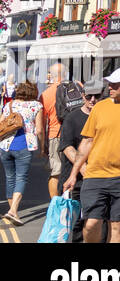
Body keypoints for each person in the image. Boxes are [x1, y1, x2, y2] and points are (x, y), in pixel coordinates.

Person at [63, 68, 120, 244]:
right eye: (109, 83)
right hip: (95, 175)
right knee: (91, 223)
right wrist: (73, 173)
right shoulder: (100, 107)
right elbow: (87, 142)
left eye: (115, 84)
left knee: (117, 225)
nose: (110, 87)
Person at [59, 78, 103, 243]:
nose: (92, 100)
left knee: (97, 221)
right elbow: (67, 147)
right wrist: (84, 170)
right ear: (83, 95)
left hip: (99, 179)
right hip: (77, 180)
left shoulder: (104, 116)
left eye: (96, 96)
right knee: (76, 225)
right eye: (89, 96)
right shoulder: (72, 118)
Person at [0, 80, 43, 225]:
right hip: (24, 146)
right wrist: (43, 147)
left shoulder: (9, 105)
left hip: (5, 146)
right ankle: (13, 211)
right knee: (21, 178)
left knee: (10, 178)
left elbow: (1, 124)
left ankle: (13, 210)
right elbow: (39, 130)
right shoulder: (36, 105)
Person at [40, 64, 69, 199]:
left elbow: (42, 124)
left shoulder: (46, 94)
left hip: (55, 135)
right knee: (75, 169)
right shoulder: (77, 87)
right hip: (75, 134)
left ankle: (55, 205)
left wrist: (43, 146)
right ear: (65, 73)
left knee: (55, 172)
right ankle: (72, 202)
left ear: (51, 75)